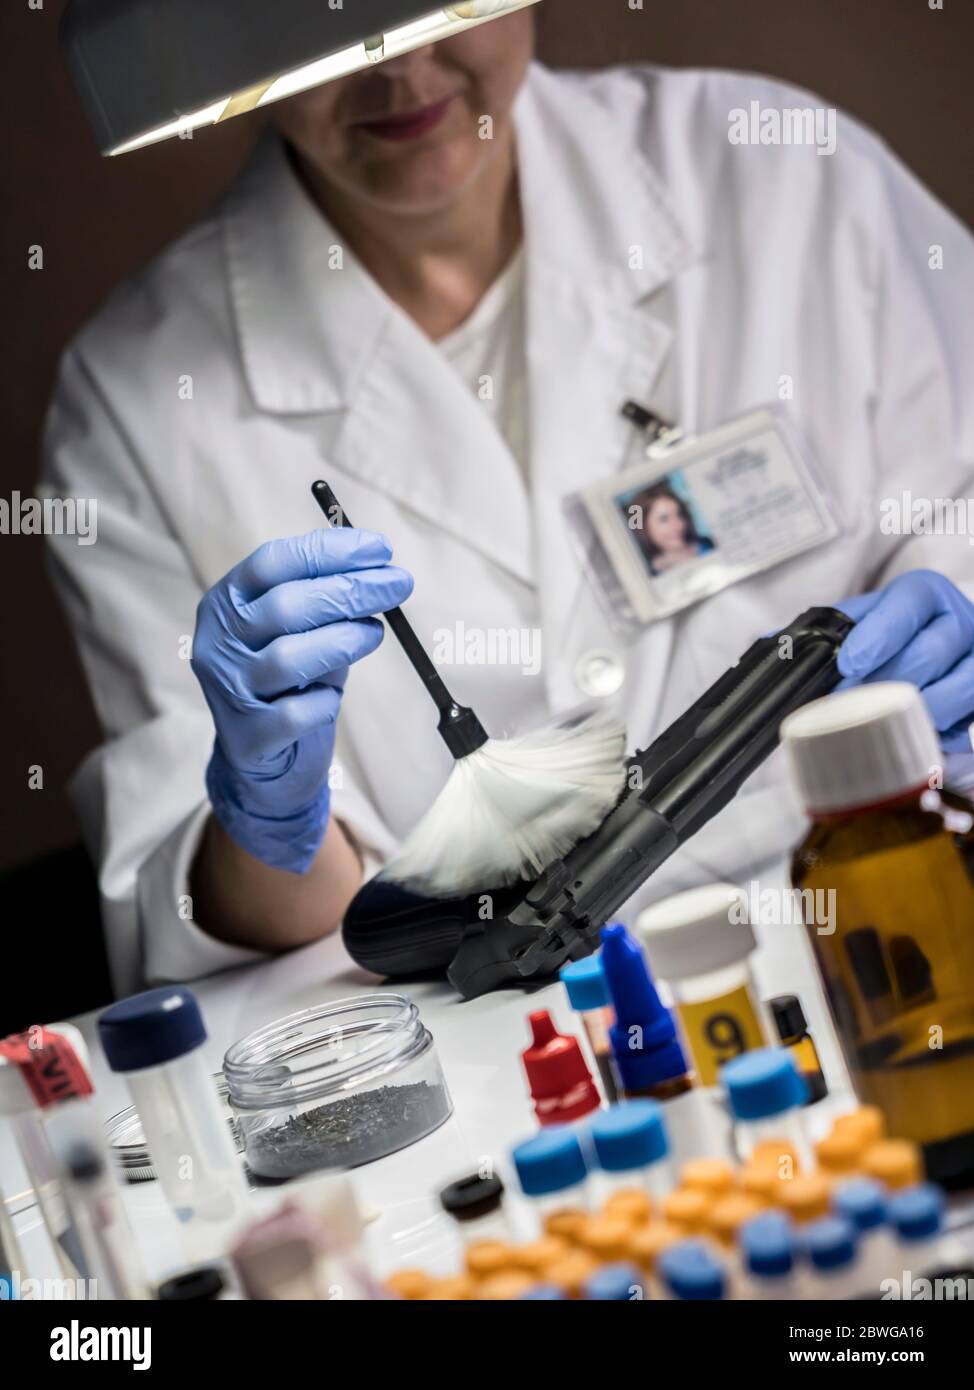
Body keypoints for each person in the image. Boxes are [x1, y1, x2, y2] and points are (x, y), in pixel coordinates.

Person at [42, 11, 974, 994]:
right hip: (504, 1044)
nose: (400, 75)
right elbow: (219, 914)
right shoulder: (137, 399)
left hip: (906, 930)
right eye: (322, 19)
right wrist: (267, 815)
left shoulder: (783, 176)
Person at [627, 481, 714, 575]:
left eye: (679, 515)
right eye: (664, 519)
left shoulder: (709, 544)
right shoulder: (647, 575)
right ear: (645, 528)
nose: (679, 524)